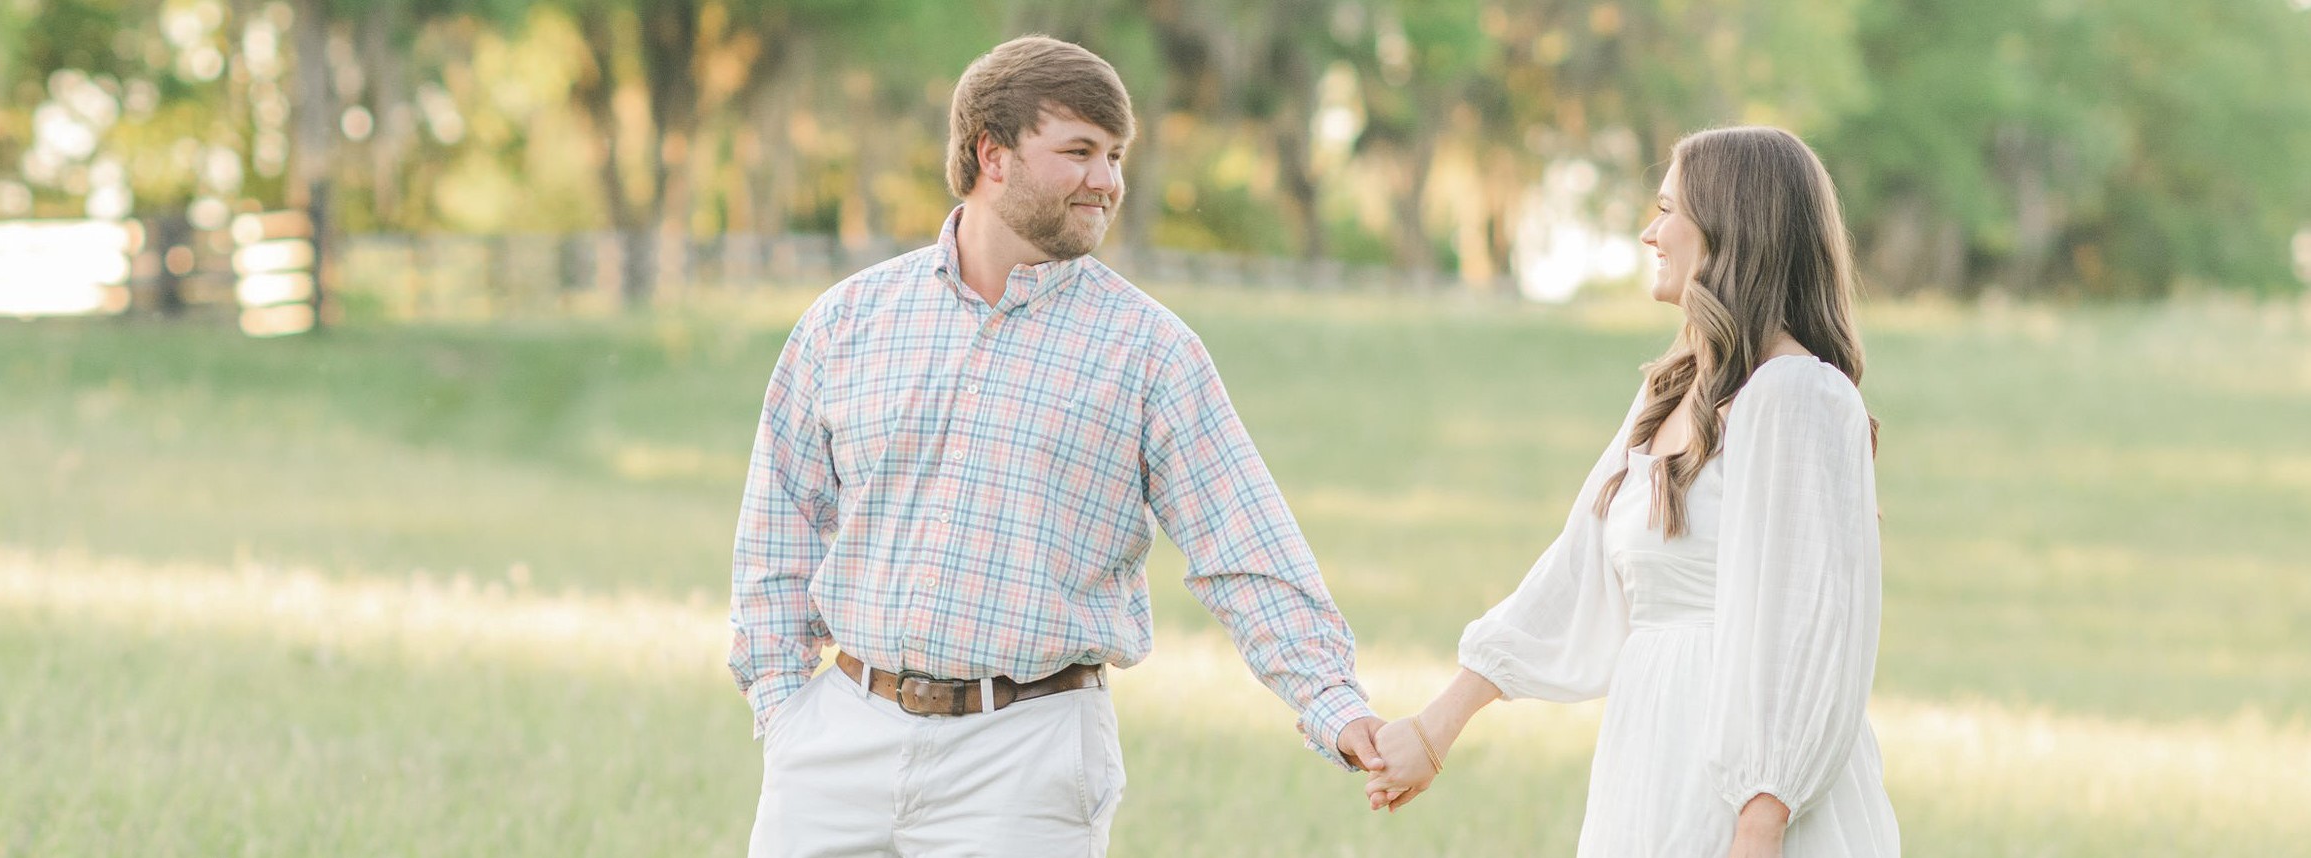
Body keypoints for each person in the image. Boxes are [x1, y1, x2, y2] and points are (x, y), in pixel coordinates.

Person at [729, 35, 1389, 856]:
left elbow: (1242, 544)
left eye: (1115, 156)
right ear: (991, 155)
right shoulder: (847, 321)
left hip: (1028, 761)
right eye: (1079, 151)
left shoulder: (1149, 353)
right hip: (836, 745)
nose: (1106, 180)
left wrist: (1334, 704)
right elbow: (779, 524)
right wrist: (783, 706)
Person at [1363, 126, 1900, 857]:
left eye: (1668, 210)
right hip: (1650, 764)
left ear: (1730, 226)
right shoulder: (1668, 394)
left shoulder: (1798, 395)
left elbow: (1807, 631)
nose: (1650, 232)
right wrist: (1435, 729)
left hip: (1747, 793)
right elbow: (1574, 570)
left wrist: (1760, 820)